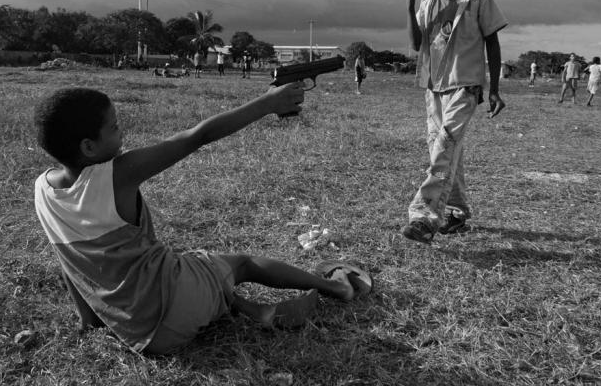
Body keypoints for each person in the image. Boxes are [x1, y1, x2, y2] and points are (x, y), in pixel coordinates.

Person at [32, 87, 371, 355]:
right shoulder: (115, 175)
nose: (123, 133)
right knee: (241, 264)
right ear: (89, 146)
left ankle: (253, 310)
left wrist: (88, 321)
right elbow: (196, 136)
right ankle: (337, 287)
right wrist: (268, 102)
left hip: (136, 331)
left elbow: (70, 266)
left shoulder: (43, 191)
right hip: (173, 308)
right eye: (115, 127)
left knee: (196, 265)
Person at [401, 0, 507, 243]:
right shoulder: (428, 2)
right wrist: (409, 7)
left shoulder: (479, 0)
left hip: (465, 86)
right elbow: (415, 44)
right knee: (445, 149)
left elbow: (492, 43)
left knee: (444, 147)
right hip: (433, 87)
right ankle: (457, 212)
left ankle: (424, 217)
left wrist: (495, 88)